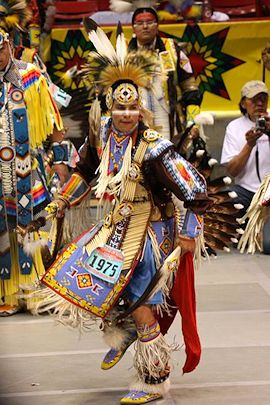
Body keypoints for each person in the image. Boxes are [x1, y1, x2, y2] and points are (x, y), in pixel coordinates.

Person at [37, 19, 210, 405]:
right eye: (120, 107)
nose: (127, 115)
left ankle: (154, 379)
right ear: (108, 106)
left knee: (141, 304)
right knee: (92, 283)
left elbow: (195, 188)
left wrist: (188, 234)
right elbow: (83, 173)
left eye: (133, 108)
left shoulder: (155, 148)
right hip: (117, 226)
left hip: (152, 233)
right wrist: (64, 199)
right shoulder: (102, 137)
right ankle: (126, 327)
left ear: (141, 108)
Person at [0, 0, 63, 316]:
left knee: (33, 226)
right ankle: (7, 292)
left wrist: (63, 164)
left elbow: (55, 126)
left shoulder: (31, 76)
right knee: (1, 232)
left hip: (28, 170)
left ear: (8, 44)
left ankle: (36, 289)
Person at [126, 5, 202, 142]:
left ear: (157, 25)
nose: (145, 27)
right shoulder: (122, 52)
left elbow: (190, 88)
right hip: (134, 120)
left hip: (169, 120)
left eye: (149, 22)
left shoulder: (172, 49)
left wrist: (192, 121)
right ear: (133, 27)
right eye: (139, 23)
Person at [221, 80, 270, 220]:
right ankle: (240, 240)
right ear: (243, 104)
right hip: (246, 191)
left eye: (263, 99)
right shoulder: (234, 127)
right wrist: (249, 144)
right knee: (229, 198)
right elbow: (232, 171)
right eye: (254, 100)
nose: (260, 103)